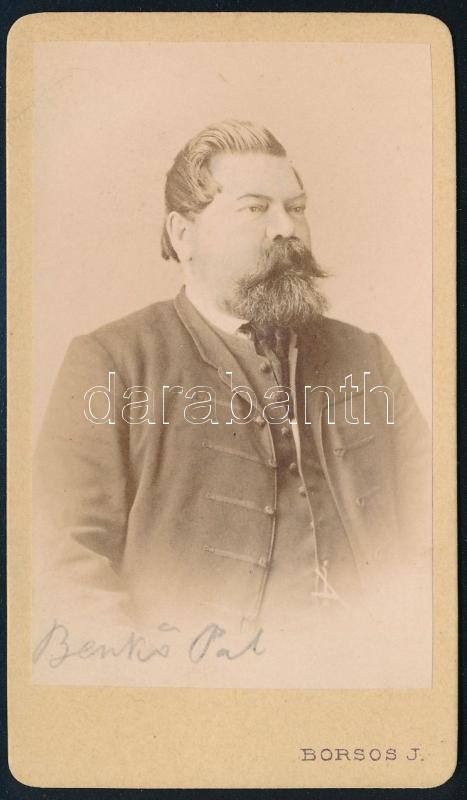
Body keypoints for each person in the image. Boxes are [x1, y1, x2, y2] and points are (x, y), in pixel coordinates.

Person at [34, 120, 431, 638]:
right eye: (255, 208)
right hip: (199, 670)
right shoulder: (112, 362)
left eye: (296, 207)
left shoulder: (365, 356)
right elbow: (66, 565)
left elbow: (437, 524)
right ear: (183, 235)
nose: (286, 228)